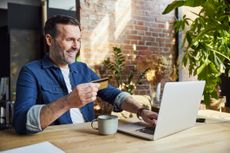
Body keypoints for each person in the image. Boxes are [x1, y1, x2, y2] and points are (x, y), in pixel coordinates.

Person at [13, 15, 158, 134]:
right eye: (69, 40)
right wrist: (68, 102)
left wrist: (141, 111)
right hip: (55, 143)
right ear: (50, 40)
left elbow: (113, 94)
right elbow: (20, 122)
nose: (76, 46)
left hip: (89, 137)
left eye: (78, 40)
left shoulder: (83, 69)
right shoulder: (31, 72)